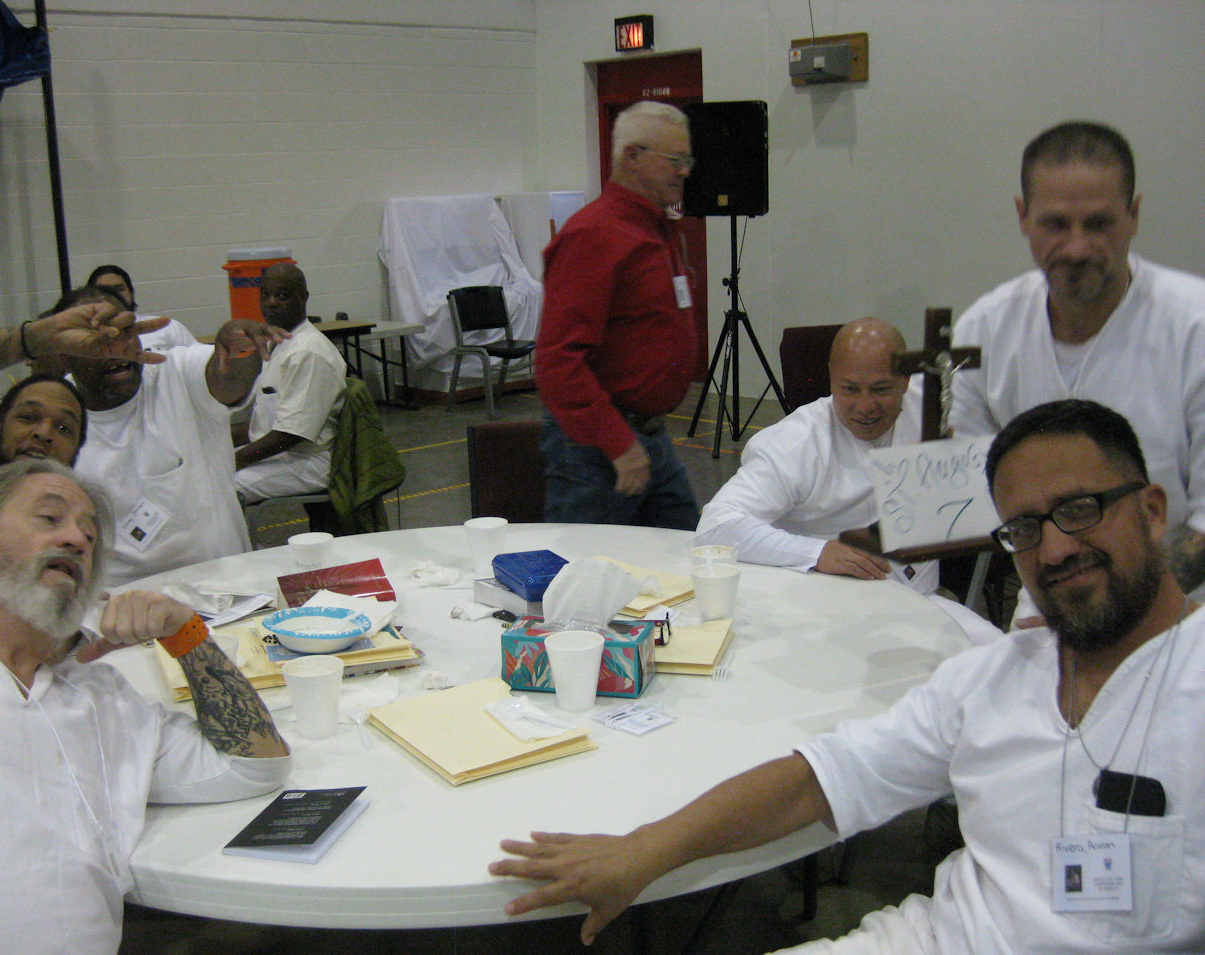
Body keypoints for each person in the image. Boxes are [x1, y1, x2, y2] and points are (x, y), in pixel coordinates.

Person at [491, 398, 1204, 953]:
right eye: (1023, 528)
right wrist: (642, 850)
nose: (1053, 549)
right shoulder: (991, 680)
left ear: (1151, 511)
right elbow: (822, 778)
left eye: (1079, 510)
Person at [0, 458, 290, 953]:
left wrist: (185, 634)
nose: (77, 540)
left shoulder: (100, 696)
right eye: (49, 518)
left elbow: (255, 765)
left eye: (90, 535)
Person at [951, 121, 1205, 607]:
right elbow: (969, 494)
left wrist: (1116, 618)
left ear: (1133, 215)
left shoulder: (1194, 327)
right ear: (1023, 216)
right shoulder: (984, 332)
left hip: (1182, 610)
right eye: (1055, 224)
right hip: (1047, 606)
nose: (1076, 248)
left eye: (1098, 224)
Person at [536, 100, 699, 530]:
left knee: (688, 553)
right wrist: (617, 443)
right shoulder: (595, 235)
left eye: (688, 161)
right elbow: (558, 360)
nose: (685, 171)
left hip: (648, 435)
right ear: (632, 156)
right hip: (596, 447)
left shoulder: (656, 229)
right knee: (588, 565)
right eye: (675, 161)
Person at [60, 284, 287, 588]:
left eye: (124, 332)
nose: (115, 349)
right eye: (98, 340)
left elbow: (229, 378)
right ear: (66, 353)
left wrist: (241, 350)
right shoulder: (57, 410)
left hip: (222, 587)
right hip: (120, 598)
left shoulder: (174, 371)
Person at [695, 318, 931, 587]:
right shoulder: (795, 444)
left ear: (906, 380)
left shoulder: (933, 403)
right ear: (831, 379)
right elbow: (715, 528)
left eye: (881, 389)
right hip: (835, 594)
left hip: (922, 592)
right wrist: (816, 552)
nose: (865, 406)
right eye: (849, 389)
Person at [0, 300, 165, 553]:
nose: (44, 433)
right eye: (28, 417)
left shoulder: (75, 535)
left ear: (75, 454)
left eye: (64, 428)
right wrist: (32, 339)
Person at [232, 263, 345, 503]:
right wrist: (212, 441)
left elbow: (290, 434)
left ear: (304, 297)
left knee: (219, 486)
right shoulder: (278, 343)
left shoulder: (308, 351)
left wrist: (234, 460)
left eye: (282, 295)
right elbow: (262, 425)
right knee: (199, 469)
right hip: (279, 454)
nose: (272, 302)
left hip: (306, 462)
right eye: (266, 295)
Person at [88, 263, 198, 351]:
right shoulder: (85, 336)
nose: (114, 295)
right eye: (105, 290)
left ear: (131, 293)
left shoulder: (167, 327)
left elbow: (200, 362)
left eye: (119, 289)